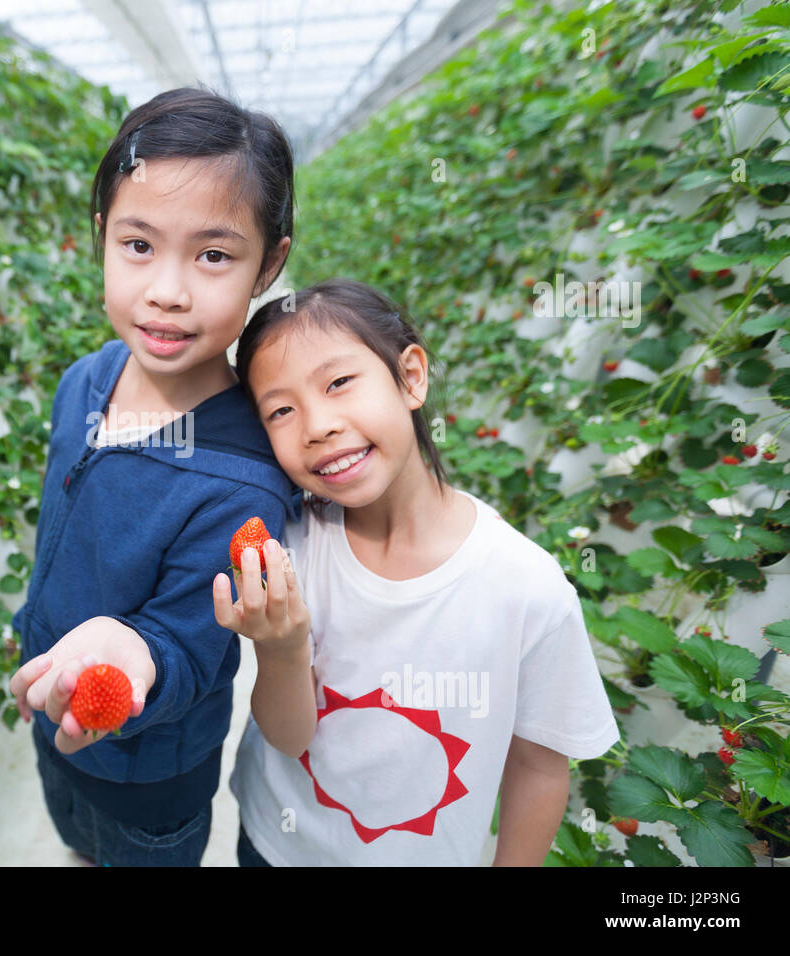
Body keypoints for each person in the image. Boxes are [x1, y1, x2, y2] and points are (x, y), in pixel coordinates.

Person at [216, 278, 621, 866]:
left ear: (411, 377)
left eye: (338, 383)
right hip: (277, 844)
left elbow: (538, 767)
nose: (318, 425)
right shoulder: (292, 544)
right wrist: (280, 648)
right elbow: (288, 737)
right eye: (281, 410)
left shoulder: (526, 590)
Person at [7, 86, 301, 866]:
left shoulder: (245, 483)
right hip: (51, 705)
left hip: (150, 769)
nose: (167, 290)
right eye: (139, 245)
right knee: (75, 835)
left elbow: (186, 644)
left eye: (213, 255)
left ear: (270, 262)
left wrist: (136, 659)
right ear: (102, 237)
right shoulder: (87, 379)